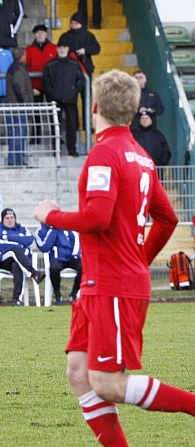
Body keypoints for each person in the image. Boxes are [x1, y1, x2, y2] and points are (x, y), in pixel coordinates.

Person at [33, 69, 195, 447]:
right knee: (78, 372)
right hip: (100, 281)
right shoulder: (139, 155)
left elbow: (97, 218)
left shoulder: (105, 154)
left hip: (113, 284)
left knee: (107, 383)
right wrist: (139, 258)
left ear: (93, 107)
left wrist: (49, 216)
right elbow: (167, 218)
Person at [0, 208, 45, 305]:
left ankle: (16, 299)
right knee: (15, 250)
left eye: (12, 217)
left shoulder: (23, 229)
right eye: (7, 218)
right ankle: (33, 273)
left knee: (17, 265)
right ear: (2, 219)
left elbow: (29, 240)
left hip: (20, 261)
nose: (10, 220)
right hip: (4, 259)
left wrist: (9, 238)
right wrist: (18, 244)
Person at [43, 44, 88, 157]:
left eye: (64, 48)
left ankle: (72, 150)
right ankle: (55, 150)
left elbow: (81, 80)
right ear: (57, 49)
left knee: (72, 125)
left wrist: (74, 91)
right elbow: (46, 82)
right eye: (60, 48)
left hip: (71, 100)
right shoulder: (50, 64)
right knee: (55, 125)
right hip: (55, 100)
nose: (62, 50)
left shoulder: (74, 63)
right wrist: (53, 94)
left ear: (68, 49)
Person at [34, 224, 81, 304]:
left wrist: (75, 255)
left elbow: (77, 242)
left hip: (71, 257)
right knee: (54, 268)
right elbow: (44, 247)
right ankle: (57, 294)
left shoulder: (69, 228)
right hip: (56, 258)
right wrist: (52, 232)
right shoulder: (41, 231)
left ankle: (74, 293)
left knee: (84, 268)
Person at [26, 24, 58, 140]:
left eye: (42, 32)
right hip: (36, 86)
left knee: (53, 112)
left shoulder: (54, 48)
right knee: (36, 112)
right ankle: (36, 136)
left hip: (51, 85)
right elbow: (26, 67)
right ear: (35, 35)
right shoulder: (29, 49)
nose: (40, 35)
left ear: (46, 34)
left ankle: (56, 136)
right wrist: (30, 87)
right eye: (38, 33)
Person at [4, 48, 32, 166]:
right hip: (18, 108)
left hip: (13, 106)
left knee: (15, 134)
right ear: (23, 56)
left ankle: (15, 160)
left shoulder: (14, 68)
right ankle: (16, 161)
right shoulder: (18, 69)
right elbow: (18, 87)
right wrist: (26, 101)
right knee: (18, 134)